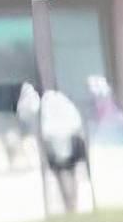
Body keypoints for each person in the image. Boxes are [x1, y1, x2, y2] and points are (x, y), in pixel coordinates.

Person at [37, 84, 89, 212]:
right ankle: (72, 204)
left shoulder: (47, 103)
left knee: (63, 176)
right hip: (69, 140)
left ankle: (69, 205)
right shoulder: (66, 102)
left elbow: (46, 129)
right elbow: (76, 122)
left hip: (57, 143)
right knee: (70, 175)